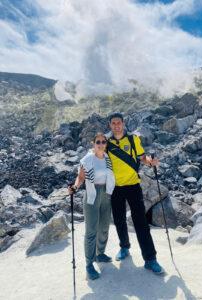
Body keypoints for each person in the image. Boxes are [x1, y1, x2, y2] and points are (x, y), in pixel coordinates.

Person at [107, 112, 164, 274]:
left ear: (123, 123)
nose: (116, 125)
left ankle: (150, 259)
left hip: (133, 185)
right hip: (116, 188)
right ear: (110, 125)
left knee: (141, 223)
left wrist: (150, 162)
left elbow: (142, 158)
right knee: (119, 220)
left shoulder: (133, 139)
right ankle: (124, 247)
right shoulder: (107, 142)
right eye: (113, 123)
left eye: (119, 122)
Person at [68, 133, 115, 280]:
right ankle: (89, 264)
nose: (101, 144)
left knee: (104, 227)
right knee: (91, 231)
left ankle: (100, 253)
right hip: (92, 195)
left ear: (106, 144)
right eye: (98, 142)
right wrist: (75, 187)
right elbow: (81, 177)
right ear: (93, 144)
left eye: (103, 142)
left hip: (106, 194)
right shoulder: (88, 160)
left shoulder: (107, 158)